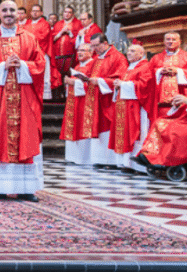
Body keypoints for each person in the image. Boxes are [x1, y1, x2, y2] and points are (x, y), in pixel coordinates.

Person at [0, 0, 46, 201]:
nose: (8, 13)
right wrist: (2, 66)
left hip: (24, 97)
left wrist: (22, 65)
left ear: (19, 14)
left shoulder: (30, 38)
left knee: (26, 136)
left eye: (12, 10)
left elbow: (40, 64)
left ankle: (26, 188)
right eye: (4, 10)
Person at [82, 33, 128, 168]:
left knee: (107, 128)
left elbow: (120, 79)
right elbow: (89, 74)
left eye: (97, 45)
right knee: (98, 127)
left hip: (108, 100)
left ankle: (110, 161)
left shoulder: (118, 57)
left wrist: (100, 81)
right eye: (93, 46)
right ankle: (99, 159)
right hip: (95, 98)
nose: (95, 49)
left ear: (105, 43)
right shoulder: (97, 58)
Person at [109, 44, 155, 174]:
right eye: (128, 50)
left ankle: (137, 165)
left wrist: (123, 84)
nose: (128, 53)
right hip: (123, 106)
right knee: (123, 134)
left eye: (132, 51)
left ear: (141, 54)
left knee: (135, 134)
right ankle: (124, 162)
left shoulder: (145, 67)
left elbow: (144, 86)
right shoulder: (129, 68)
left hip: (136, 107)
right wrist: (118, 86)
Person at [149, 32, 187, 121]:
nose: (171, 42)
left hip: (182, 97)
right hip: (159, 101)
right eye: (168, 39)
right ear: (164, 41)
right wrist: (159, 71)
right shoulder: (156, 58)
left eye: (174, 39)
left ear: (180, 41)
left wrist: (178, 71)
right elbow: (147, 74)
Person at [60, 44, 96, 166]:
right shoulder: (77, 66)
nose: (79, 53)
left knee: (82, 126)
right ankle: (73, 156)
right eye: (78, 50)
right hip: (73, 101)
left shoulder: (93, 64)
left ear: (91, 52)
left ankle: (83, 158)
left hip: (84, 103)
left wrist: (73, 82)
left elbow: (91, 83)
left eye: (83, 51)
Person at [26, 5, 53, 100]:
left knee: (44, 74)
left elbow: (43, 37)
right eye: (33, 11)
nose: (34, 13)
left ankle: (45, 96)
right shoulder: (27, 24)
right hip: (29, 53)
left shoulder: (45, 24)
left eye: (37, 11)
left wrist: (29, 39)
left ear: (41, 13)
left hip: (41, 51)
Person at [51, 6, 82, 90]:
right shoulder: (58, 24)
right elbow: (52, 38)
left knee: (70, 73)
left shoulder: (78, 23)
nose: (67, 14)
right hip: (58, 54)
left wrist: (69, 33)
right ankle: (59, 93)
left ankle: (69, 93)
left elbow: (80, 39)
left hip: (71, 54)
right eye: (65, 12)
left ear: (73, 14)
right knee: (58, 74)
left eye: (69, 12)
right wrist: (61, 32)